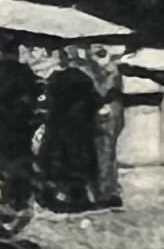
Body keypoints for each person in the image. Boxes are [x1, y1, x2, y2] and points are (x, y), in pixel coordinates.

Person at [38, 60, 110, 214]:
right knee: (77, 167)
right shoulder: (81, 84)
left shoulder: (59, 84)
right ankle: (78, 198)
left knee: (62, 167)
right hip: (78, 136)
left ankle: (59, 197)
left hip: (63, 135)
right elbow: (96, 103)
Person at [0, 55, 42, 218]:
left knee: (10, 174)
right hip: (17, 144)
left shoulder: (1, 104)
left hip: (8, 143)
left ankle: (12, 205)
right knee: (18, 174)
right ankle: (19, 204)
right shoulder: (27, 102)